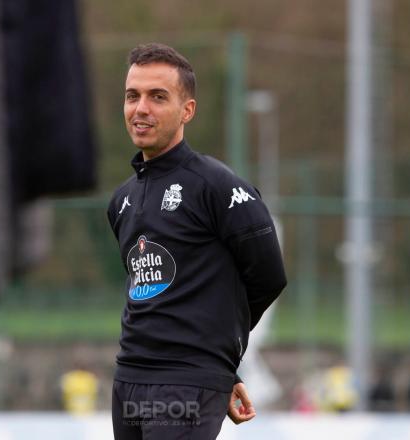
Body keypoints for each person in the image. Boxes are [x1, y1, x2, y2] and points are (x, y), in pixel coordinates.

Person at [107, 43, 287, 439]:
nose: (141, 108)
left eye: (157, 97)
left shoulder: (217, 186)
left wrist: (216, 363)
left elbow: (268, 276)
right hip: (130, 376)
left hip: (186, 381)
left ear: (187, 110)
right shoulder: (122, 199)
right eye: (132, 96)